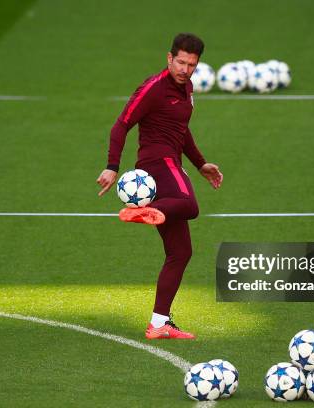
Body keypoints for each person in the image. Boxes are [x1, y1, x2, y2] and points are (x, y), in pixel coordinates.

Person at [96, 33, 223, 339]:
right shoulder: (153, 88)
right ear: (169, 59)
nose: (185, 69)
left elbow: (182, 130)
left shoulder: (188, 88)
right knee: (190, 204)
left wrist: (200, 164)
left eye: (191, 64)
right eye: (180, 62)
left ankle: (158, 323)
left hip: (172, 163)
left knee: (180, 252)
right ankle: (144, 209)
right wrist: (112, 166)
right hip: (158, 164)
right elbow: (122, 123)